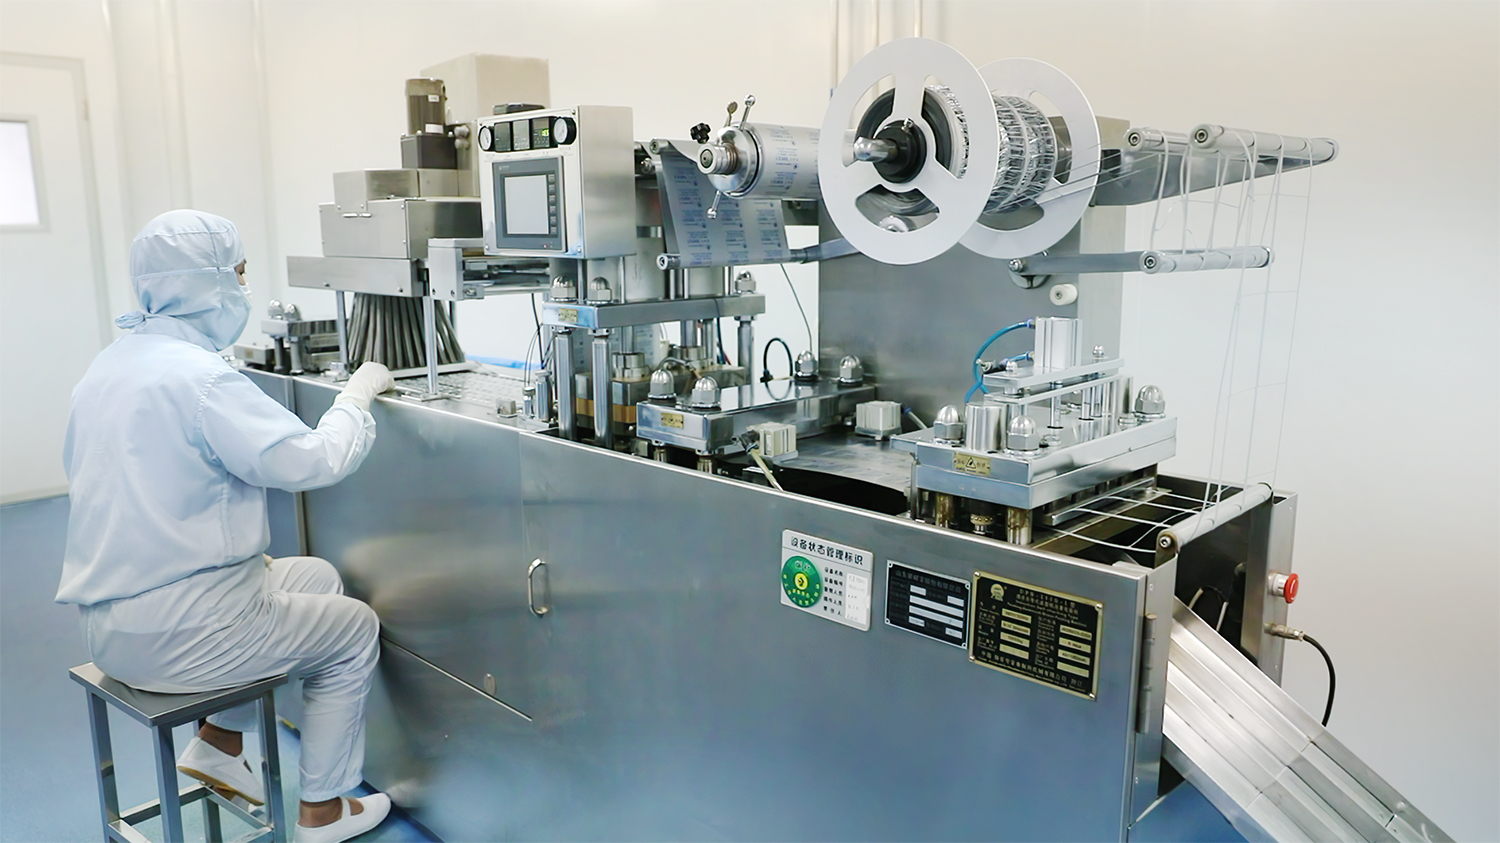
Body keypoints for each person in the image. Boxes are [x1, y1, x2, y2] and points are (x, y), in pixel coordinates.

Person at [56, 210, 396, 843]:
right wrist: (356, 399)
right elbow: (311, 461)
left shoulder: (110, 366)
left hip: (111, 626)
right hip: (183, 636)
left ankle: (218, 743)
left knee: (316, 577)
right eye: (238, 273)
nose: (243, 287)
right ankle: (323, 811)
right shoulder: (203, 378)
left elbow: (137, 490)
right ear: (205, 282)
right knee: (353, 629)